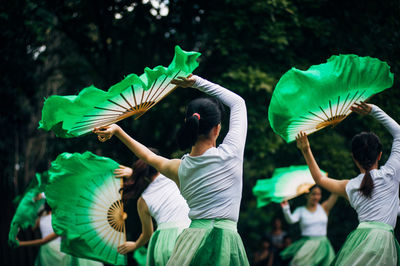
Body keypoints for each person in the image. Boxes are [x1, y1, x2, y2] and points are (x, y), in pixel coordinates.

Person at [93, 74, 249, 265]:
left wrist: (118, 131)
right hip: (226, 241)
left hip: (191, 242)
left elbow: (148, 157)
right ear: (217, 129)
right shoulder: (231, 154)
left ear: (188, 124)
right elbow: (238, 103)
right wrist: (197, 82)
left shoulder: (179, 168)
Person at [295, 102, 400, 265]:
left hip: (359, 239)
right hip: (384, 243)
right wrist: (373, 110)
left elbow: (320, 180)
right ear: (379, 155)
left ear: (354, 158)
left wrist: (306, 150)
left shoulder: (349, 186)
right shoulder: (391, 174)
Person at [114, 150, 191, 266]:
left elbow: (147, 234)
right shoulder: (174, 173)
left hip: (164, 242)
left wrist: (135, 245)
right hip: (188, 233)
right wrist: (133, 173)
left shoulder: (143, 200)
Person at [17, 200, 103, 266]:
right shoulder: (61, 221)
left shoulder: (43, 218)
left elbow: (30, 227)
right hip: (59, 248)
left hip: (47, 249)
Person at [279, 186, 337, 266]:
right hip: (307, 244)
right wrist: (286, 208)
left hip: (323, 244)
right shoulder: (300, 210)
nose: (316, 197)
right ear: (307, 195)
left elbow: (336, 192)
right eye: (313, 194)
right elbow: (291, 220)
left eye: (318, 194)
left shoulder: (324, 208)